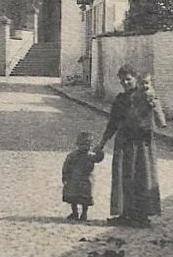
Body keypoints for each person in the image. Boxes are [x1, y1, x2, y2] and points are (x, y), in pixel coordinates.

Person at [96, 64, 166, 227]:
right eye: (122, 81)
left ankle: (142, 216)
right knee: (123, 177)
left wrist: (154, 105)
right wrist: (102, 143)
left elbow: (158, 118)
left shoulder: (146, 96)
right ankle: (125, 214)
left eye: (128, 79)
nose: (125, 83)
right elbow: (112, 123)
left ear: (136, 79)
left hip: (142, 143)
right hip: (124, 143)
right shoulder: (120, 99)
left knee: (142, 177)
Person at [61, 130, 104, 222]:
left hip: (85, 180)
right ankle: (75, 213)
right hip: (74, 179)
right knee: (73, 197)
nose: (85, 147)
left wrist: (99, 151)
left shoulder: (90, 156)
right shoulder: (73, 155)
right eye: (83, 144)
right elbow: (66, 166)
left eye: (88, 145)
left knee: (85, 199)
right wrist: (65, 176)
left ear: (91, 146)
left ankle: (84, 214)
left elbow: (99, 158)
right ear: (78, 145)